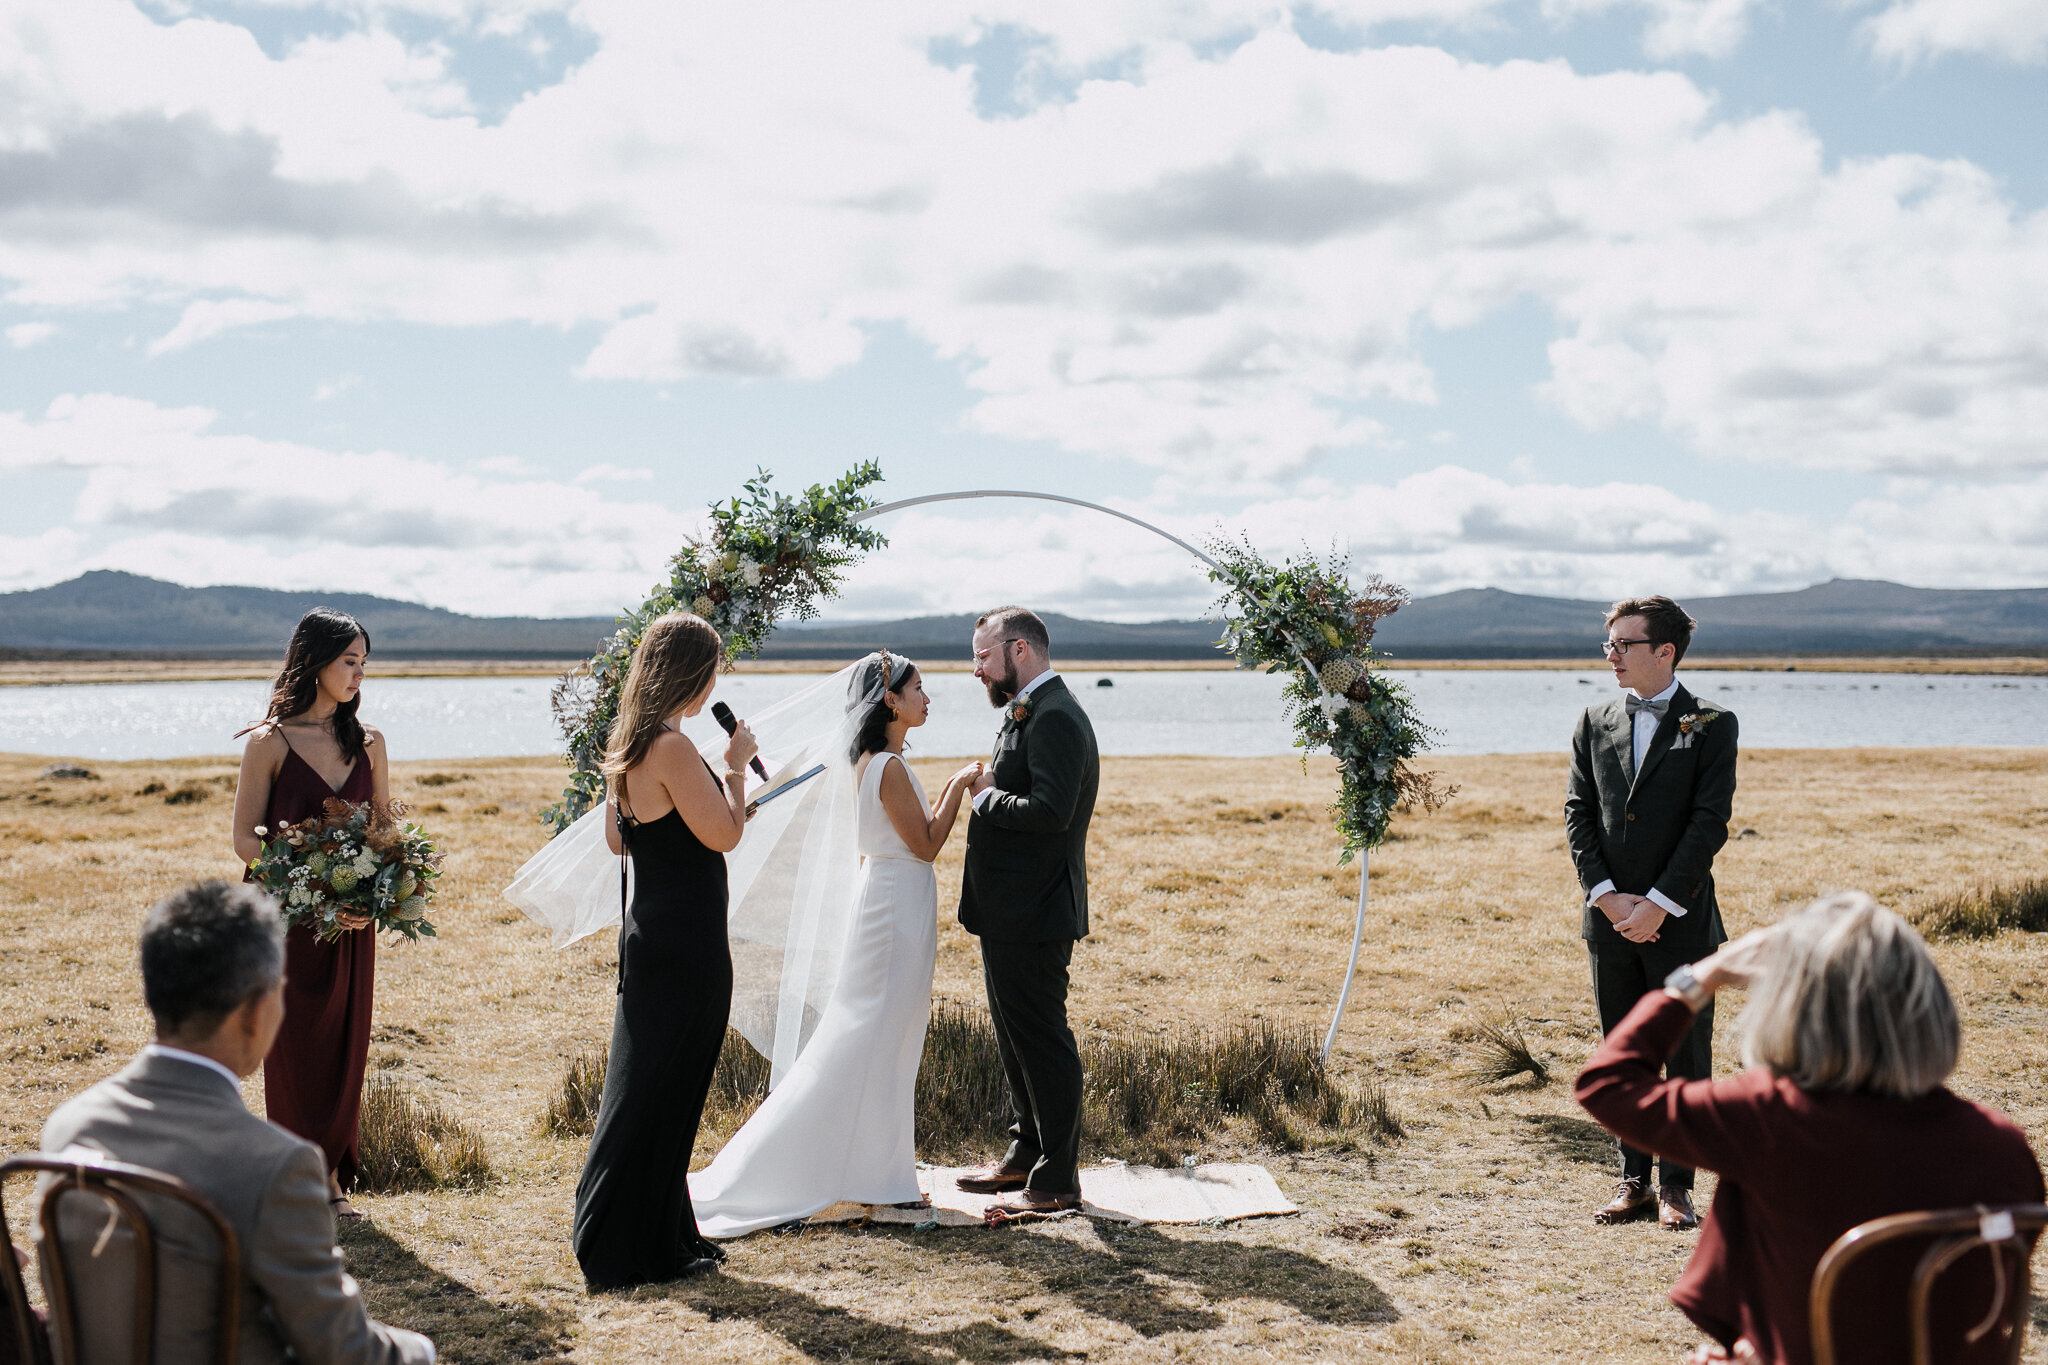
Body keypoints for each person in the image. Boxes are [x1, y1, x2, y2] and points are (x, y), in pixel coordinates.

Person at [1575, 892, 2044, 1365]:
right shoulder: (2002, 1146)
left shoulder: (1771, 1118)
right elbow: (1976, 1291)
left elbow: (1607, 1085)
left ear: (1792, 1012)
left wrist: (1699, 978)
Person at [37, 880, 434, 1365]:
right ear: (256, 1010)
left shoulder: (65, 1129)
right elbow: (344, 1352)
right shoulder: (276, 1166)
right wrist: (421, 1351)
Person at [689, 652, 984, 1236]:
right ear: (890, 700)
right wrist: (959, 784)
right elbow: (925, 844)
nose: (929, 698)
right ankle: (862, 1175)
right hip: (895, 902)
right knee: (876, 1035)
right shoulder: (887, 767)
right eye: (919, 688)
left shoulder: (879, 761)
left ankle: (884, 1174)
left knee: (888, 1037)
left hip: (894, 899)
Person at [571, 611, 757, 1291]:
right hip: (687, 941)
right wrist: (735, 773)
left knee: (649, 1086)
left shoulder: (630, 740)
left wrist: (710, 807)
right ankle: (636, 1240)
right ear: (692, 672)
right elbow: (726, 836)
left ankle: (661, 1231)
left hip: (651, 932)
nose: (715, 683)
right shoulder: (675, 748)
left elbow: (624, 841)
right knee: (669, 1088)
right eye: (712, 668)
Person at [1564, 594, 1736, 1231]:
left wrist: (1661, 904)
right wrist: (1606, 896)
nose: (1609, 655)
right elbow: (1578, 811)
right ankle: (1632, 1180)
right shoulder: (1593, 718)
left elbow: (1708, 822)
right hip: (1609, 920)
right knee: (1622, 1047)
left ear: (1664, 651)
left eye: (1622, 645)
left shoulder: (1713, 723)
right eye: (1607, 644)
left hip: (1682, 920)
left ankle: (1677, 1188)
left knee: (1687, 1051)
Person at [230, 607, 388, 1220]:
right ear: (316, 661)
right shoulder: (269, 743)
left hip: (350, 918)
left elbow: (381, 832)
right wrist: (299, 868)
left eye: (363, 664)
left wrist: (368, 897)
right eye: (349, 661)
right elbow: (244, 838)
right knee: (292, 1043)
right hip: (287, 917)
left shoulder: (369, 741)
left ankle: (330, 1176)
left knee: (345, 1040)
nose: (358, 675)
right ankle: (298, 1177)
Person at [952, 607, 1100, 1218]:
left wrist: (986, 798)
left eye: (983, 655)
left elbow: (1050, 813)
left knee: (1042, 1039)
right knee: (1015, 1039)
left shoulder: (1057, 717)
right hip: (1008, 909)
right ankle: (1025, 1153)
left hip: (1037, 910)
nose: (976, 668)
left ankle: (1059, 1176)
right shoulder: (1030, 711)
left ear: (1019, 651)